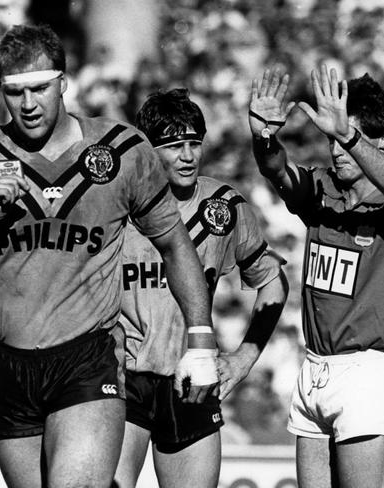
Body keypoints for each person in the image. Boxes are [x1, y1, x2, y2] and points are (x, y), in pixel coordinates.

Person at [0, 24, 218, 488]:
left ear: (64, 83)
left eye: (39, 89)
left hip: (88, 357)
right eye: (14, 92)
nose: (28, 104)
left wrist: (201, 341)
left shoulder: (122, 150)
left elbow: (175, 243)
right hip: (9, 361)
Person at [248, 66, 384, 488]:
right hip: (314, 367)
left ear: (383, 140)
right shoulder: (323, 191)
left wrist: (349, 135)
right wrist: (263, 137)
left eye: (346, 139)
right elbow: (277, 170)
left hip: (367, 372)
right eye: (331, 140)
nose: (336, 151)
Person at [114, 88, 289, 488]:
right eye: (175, 146)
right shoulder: (116, 205)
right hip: (124, 377)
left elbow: (273, 281)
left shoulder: (224, 207)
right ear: (146, 150)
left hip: (191, 375)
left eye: (194, 143)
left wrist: (244, 358)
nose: (189, 156)